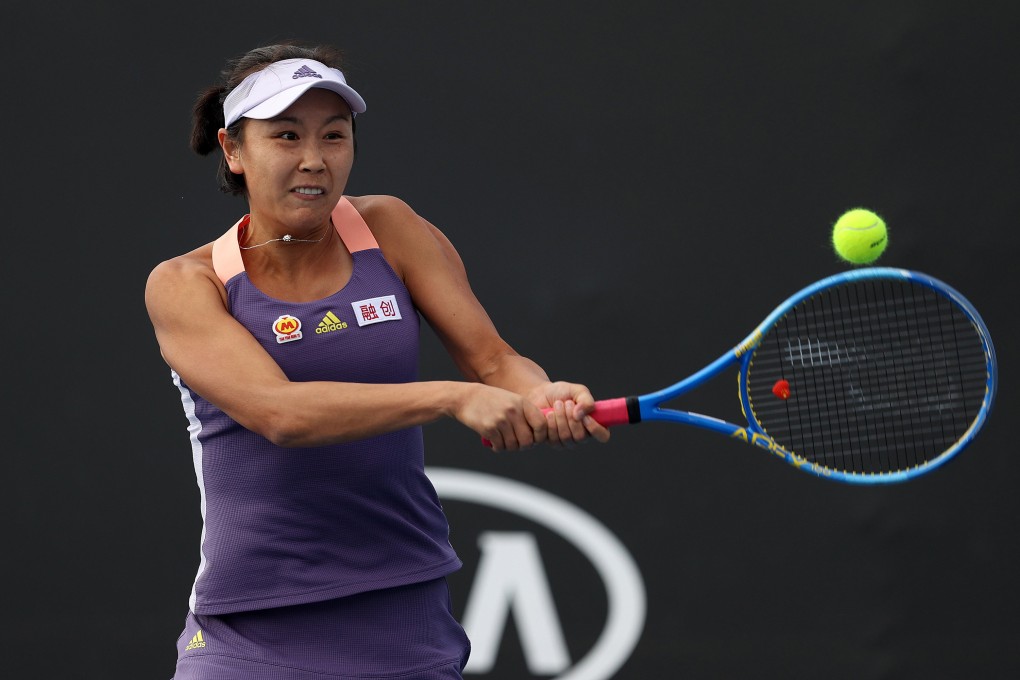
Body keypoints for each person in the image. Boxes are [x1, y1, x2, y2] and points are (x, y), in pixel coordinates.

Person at [144, 42, 609, 680]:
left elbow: (495, 360)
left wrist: (543, 393)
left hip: (403, 621)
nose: (314, 159)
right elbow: (282, 414)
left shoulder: (390, 229)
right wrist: (450, 398)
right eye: (286, 136)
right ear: (233, 150)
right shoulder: (186, 284)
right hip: (251, 633)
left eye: (334, 136)